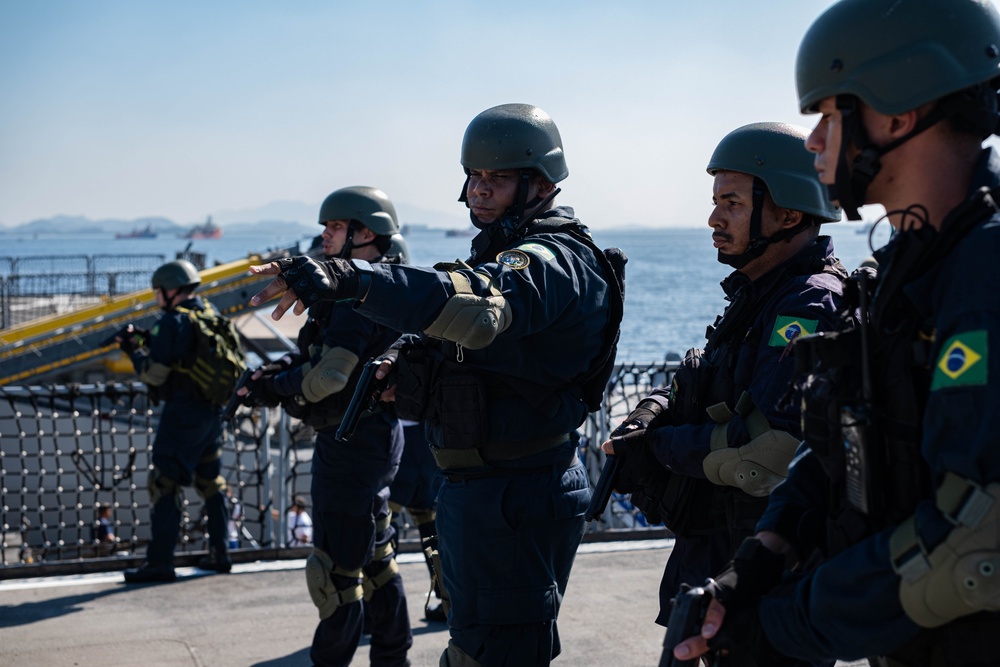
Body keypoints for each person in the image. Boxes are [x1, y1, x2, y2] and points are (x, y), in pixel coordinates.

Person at [673, 1, 1000, 665]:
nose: (815, 143)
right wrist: (759, 559)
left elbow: (975, 547)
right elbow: (834, 438)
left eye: (826, 117)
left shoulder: (985, 274)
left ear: (898, 113)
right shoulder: (901, 274)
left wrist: (785, 622)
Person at [248, 103, 623, 667]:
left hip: (518, 488)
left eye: (497, 178)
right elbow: (469, 334)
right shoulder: (499, 250)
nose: (479, 190)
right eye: (474, 176)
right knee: (474, 649)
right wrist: (406, 357)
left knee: (494, 654)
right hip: (482, 485)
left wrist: (350, 279)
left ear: (541, 182)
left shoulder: (554, 259)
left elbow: (480, 307)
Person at [600, 121, 846, 663]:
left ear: (788, 212)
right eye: (715, 201)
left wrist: (657, 447)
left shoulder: (806, 306)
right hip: (716, 562)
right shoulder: (758, 296)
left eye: (732, 203)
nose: (713, 218)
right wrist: (653, 409)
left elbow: (766, 454)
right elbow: (712, 383)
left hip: (767, 580)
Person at [243, 186, 412, 667]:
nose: (325, 235)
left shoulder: (355, 299)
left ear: (366, 233)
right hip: (376, 440)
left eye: (336, 227)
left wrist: (277, 389)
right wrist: (278, 373)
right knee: (377, 560)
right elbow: (320, 357)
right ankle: (393, 657)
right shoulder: (382, 286)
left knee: (334, 574)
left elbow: (331, 376)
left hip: (350, 443)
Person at [122, 259, 234, 583]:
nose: (156, 297)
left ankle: (159, 563)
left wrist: (134, 351)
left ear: (171, 290)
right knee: (212, 483)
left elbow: (155, 374)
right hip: (212, 414)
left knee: (164, 483)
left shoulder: (171, 321)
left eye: (158, 291)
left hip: (182, 415)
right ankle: (220, 553)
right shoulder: (209, 313)